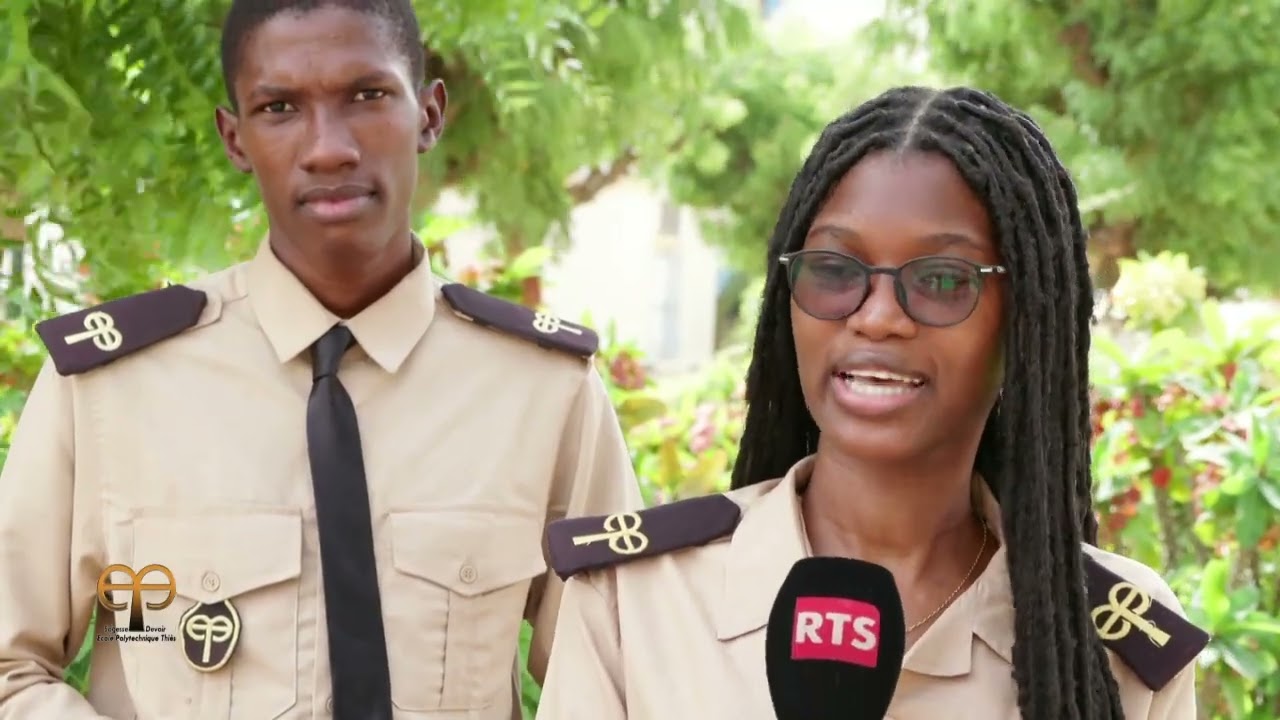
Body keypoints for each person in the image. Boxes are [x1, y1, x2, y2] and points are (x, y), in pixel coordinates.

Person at [0, 1, 643, 718]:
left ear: (429, 114)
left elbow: (614, 679)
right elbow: (10, 667)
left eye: (367, 96)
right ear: (235, 138)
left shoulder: (544, 393)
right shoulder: (106, 393)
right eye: (279, 108)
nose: (329, 147)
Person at [535, 86, 1208, 719]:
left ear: (1024, 321)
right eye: (834, 270)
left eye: (943, 279)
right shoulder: (637, 601)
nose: (878, 316)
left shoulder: (1118, 649)